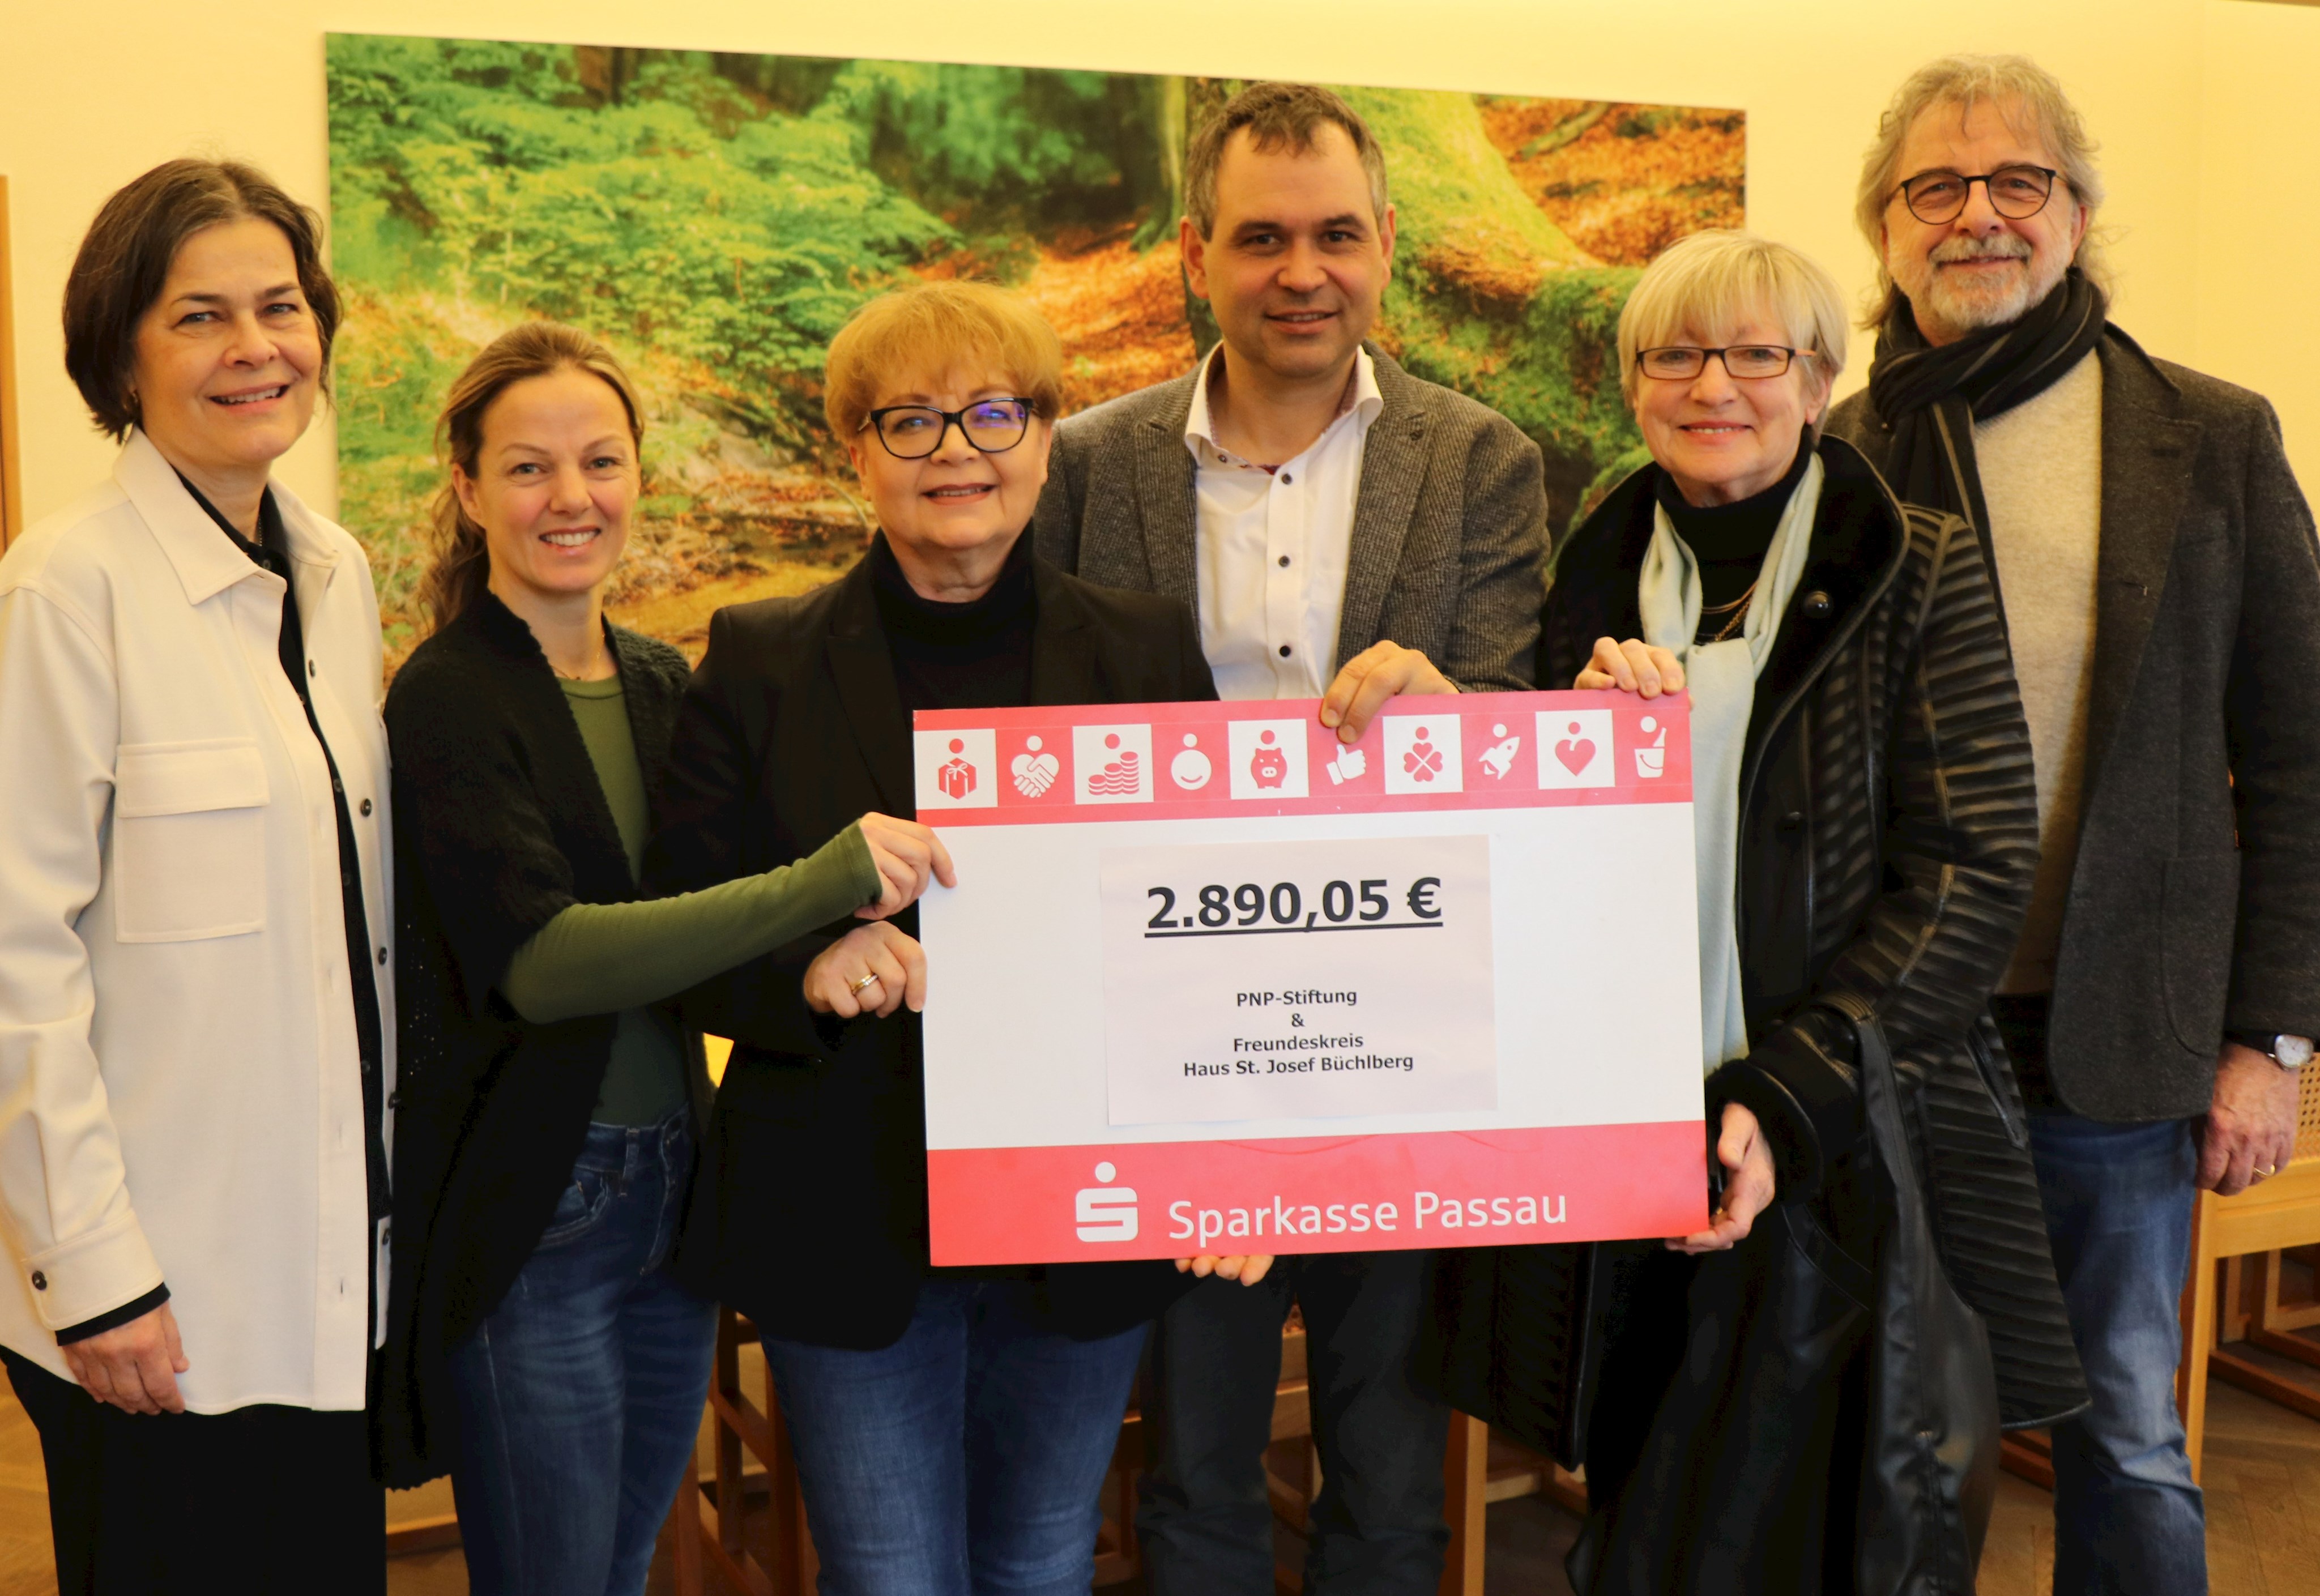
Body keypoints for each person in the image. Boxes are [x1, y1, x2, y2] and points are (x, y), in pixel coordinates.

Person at [1424, 229, 2086, 1588]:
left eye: (1753, 352)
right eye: (1671, 352)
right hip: (1630, 1133)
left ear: (1819, 375)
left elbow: (1969, 866)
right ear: (1631, 385)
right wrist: (1556, 742)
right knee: (1650, 1501)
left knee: (1843, 1529)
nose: (1710, 382)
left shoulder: (1920, 565)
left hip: (1847, 1123)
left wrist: (1790, 1087)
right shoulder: (1589, 581)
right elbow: (1534, 881)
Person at [1031, 81, 1547, 1595]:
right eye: (1262, 238)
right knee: (1193, 1457)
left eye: (1335, 234)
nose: (1301, 270)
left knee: (1389, 1467)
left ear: (1388, 246)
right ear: (1197, 254)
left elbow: (1515, 728)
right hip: (1178, 1045)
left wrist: (1449, 707)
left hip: (1406, 1039)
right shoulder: (1088, 463)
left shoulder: (1481, 460)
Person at [1825, 54, 2320, 1595]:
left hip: (2123, 1042)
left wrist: (2276, 1044)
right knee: (1911, 1436)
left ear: (2080, 213)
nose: (1979, 214)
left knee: (2126, 1435)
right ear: (1887, 231)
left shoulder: (2212, 436)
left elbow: (2300, 759)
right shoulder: (1839, 447)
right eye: (1936, 187)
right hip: (1898, 1043)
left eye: (2017, 180)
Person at [646, 280, 1215, 1596]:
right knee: (890, 1572)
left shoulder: (1139, 647)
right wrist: (800, 965)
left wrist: (1225, 1160)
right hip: (844, 1208)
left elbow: (1201, 927)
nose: (955, 448)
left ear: (1042, 438)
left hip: (1082, 1211)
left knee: (1037, 1562)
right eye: (908, 420)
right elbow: (682, 916)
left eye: (992, 412)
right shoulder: (760, 655)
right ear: (855, 450)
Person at [375, 323, 950, 1593]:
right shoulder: (447, 696)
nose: (570, 498)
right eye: (528, 469)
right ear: (467, 490)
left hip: (672, 1190)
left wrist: (828, 948)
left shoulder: (653, 677)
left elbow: (709, 907)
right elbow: (544, 962)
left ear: (639, 475)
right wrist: (829, 880)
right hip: (539, 1211)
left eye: (600, 460)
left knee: (626, 1558)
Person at [0, 159, 390, 1591]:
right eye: (200, 317)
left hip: (325, 1282)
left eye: (281, 307)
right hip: (152, 1301)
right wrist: (97, 1272)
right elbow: (13, 963)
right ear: (121, 351)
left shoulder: (336, 575)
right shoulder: (67, 588)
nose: (256, 349)